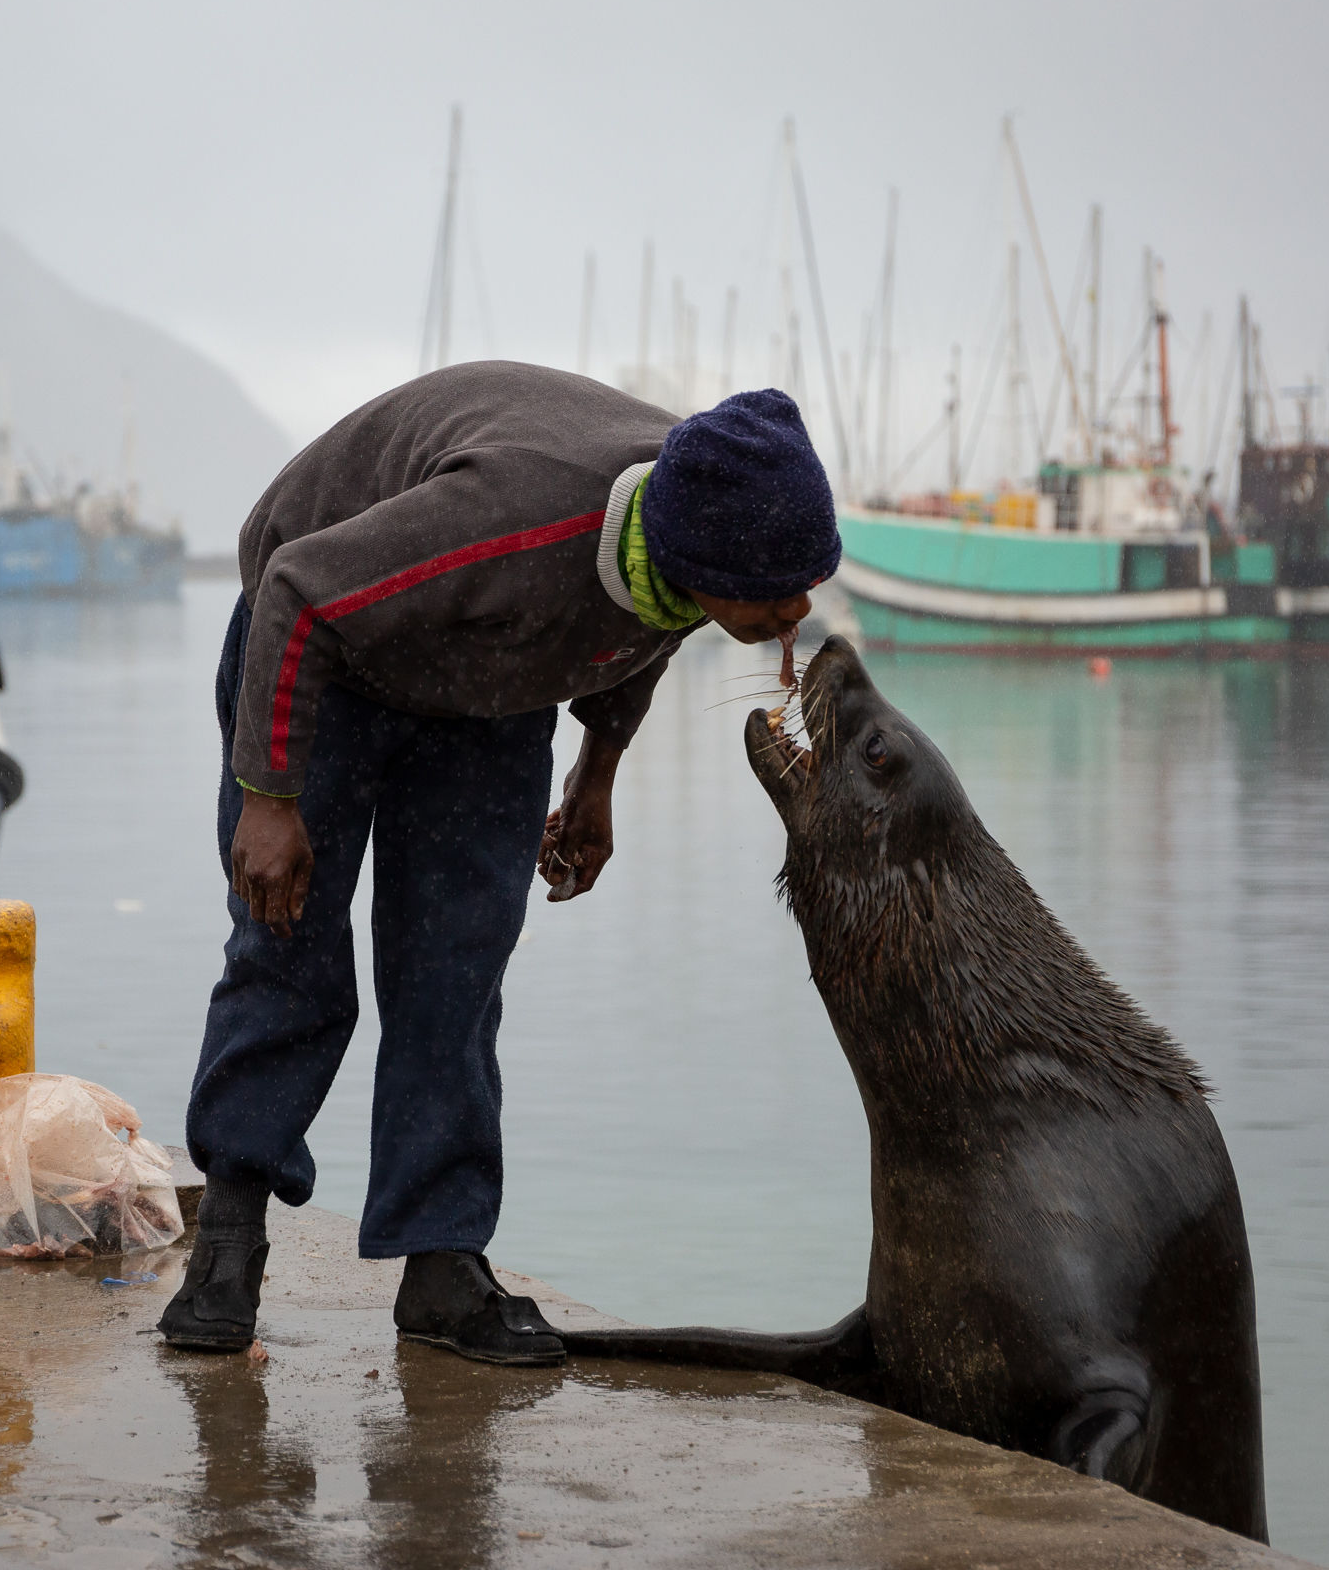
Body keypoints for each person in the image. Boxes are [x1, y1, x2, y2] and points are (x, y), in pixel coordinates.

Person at [159, 361, 839, 1364]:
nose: (798, 616)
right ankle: (227, 1242)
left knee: (458, 969)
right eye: (780, 597)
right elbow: (300, 591)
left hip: (485, 675)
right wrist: (269, 795)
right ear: (708, 557)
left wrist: (597, 771)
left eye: (805, 590)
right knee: (288, 941)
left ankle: (441, 1265)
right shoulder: (513, 521)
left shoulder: (696, 529)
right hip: (323, 647)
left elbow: (650, 619)